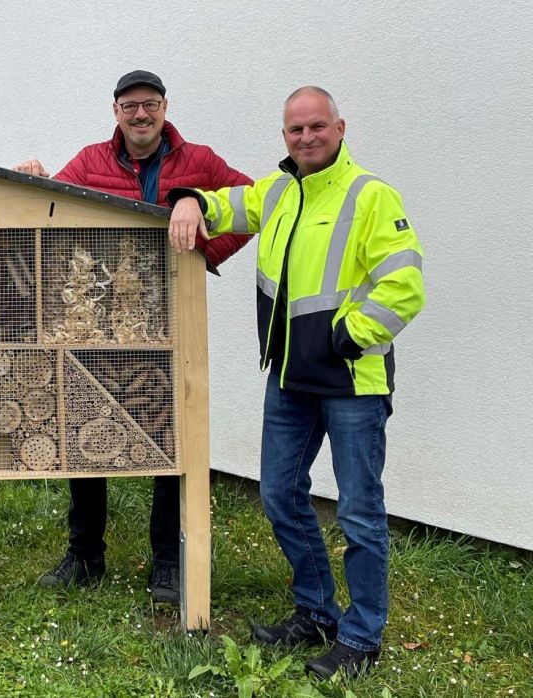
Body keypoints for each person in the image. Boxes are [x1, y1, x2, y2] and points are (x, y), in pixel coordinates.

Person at [168, 86, 425, 678]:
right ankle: (316, 611)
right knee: (279, 493)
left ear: (339, 127)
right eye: (294, 130)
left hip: (351, 382)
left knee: (360, 513)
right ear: (284, 136)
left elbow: (404, 284)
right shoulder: (280, 190)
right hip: (288, 379)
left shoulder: (371, 196)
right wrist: (189, 202)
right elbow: (229, 205)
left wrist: (347, 336)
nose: (305, 137)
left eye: (316, 127)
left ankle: (361, 639)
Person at [14, 70, 253, 604]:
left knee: (169, 437)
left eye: (149, 104)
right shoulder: (92, 161)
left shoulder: (201, 161)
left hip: (168, 323)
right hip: (99, 326)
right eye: (129, 106)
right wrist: (32, 175)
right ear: (116, 111)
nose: (139, 115)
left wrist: (204, 256)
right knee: (86, 428)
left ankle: (167, 561)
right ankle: (84, 555)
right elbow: (49, 207)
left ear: (165, 107)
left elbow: (251, 205)